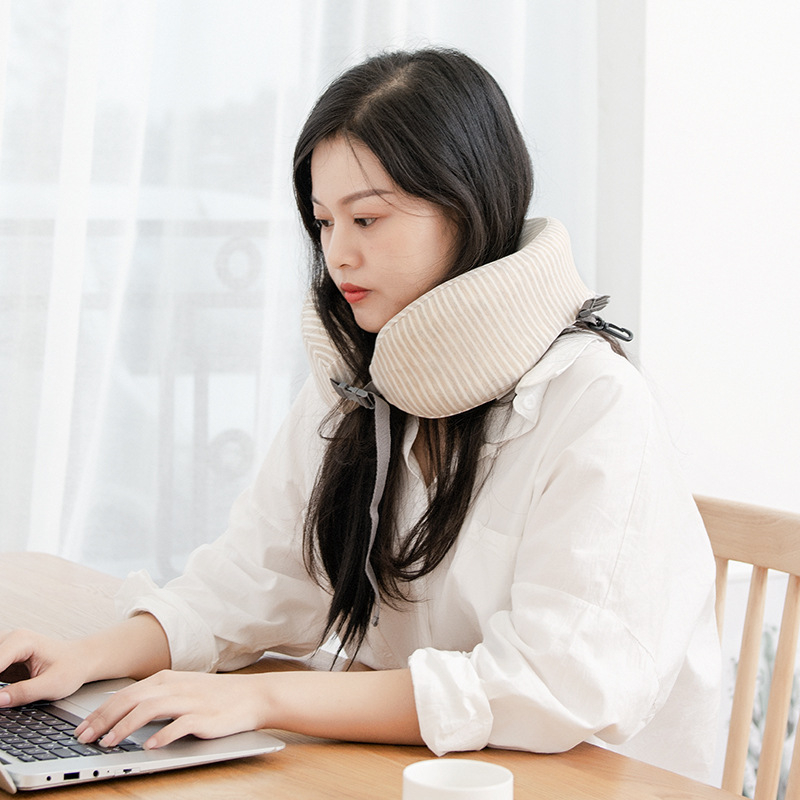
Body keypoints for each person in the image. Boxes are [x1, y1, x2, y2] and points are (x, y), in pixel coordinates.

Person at [0, 47, 720, 781]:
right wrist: (86, 657)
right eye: (322, 222)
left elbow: (550, 686)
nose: (337, 254)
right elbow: (252, 578)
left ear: (465, 211)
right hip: (414, 773)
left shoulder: (595, 406)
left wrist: (267, 700)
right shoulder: (361, 381)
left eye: (367, 220)